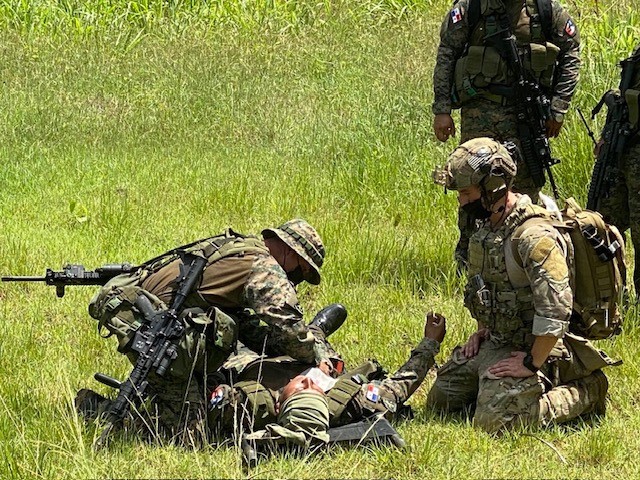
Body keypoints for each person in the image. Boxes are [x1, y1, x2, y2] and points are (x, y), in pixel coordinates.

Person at [82, 218, 336, 444]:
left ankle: (160, 395)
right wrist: (318, 357)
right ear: (292, 252)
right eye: (301, 271)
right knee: (190, 433)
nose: (296, 278)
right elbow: (291, 330)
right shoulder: (266, 270)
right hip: (155, 332)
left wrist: (274, 346)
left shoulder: (239, 249)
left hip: (145, 315)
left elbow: (244, 325)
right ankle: (95, 409)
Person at [428, 138, 619, 433]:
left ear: (493, 187)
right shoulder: (489, 226)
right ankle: (500, 387)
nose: (461, 201)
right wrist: (482, 331)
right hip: (500, 340)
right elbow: (486, 288)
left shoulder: (534, 237)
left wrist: (531, 363)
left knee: (496, 423)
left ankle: (588, 389)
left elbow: (556, 309)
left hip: (543, 347)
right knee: (442, 401)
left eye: (466, 193)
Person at [432, 0, 581, 267]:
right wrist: (442, 109)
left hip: (526, 116)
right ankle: (470, 259)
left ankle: (522, 259)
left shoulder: (544, 9)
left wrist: (558, 107)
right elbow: (447, 52)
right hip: (480, 112)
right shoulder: (472, 7)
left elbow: (571, 50)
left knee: (525, 188)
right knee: (472, 182)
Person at [208, 312, 446, 448]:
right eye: (316, 391)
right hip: (314, 360)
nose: (308, 382)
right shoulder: (354, 403)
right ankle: (316, 332)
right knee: (326, 360)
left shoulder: (246, 406)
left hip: (254, 360)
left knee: (233, 332)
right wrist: (431, 342)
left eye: (300, 390)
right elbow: (401, 384)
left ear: (279, 406)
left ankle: (310, 333)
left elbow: (207, 387)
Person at [591, 44, 640, 295]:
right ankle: (611, 292)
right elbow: (625, 96)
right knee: (606, 219)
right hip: (622, 148)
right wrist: (606, 135)